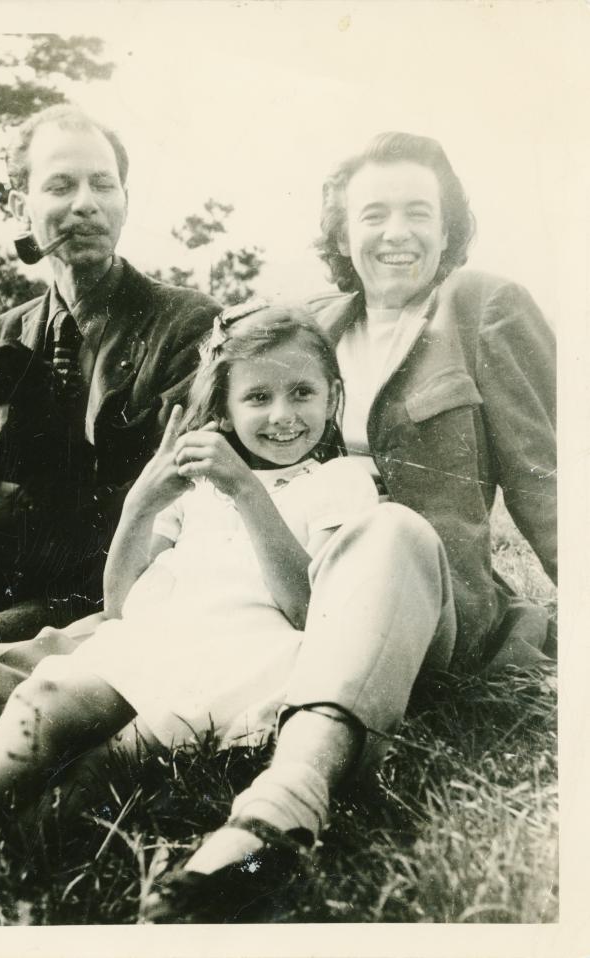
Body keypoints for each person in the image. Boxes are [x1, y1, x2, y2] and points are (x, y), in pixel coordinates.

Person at [142, 132, 556, 922]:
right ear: (339, 230)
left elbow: (551, 483)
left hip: (430, 611)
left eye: (417, 212)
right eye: (373, 213)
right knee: (63, 658)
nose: (395, 232)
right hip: (289, 593)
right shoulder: (312, 323)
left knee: (392, 529)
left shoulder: (484, 307)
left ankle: (287, 798)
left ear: (448, 227)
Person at [0, 304, 379, 878]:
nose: (282, 415)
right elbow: (119, 605)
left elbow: (307, 610)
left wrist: (248, 494)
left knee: (99, 772)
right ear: (225, 408)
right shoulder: (197, 485)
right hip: (154, 640)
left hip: (243, 659)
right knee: (44, 704)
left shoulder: (342, 483)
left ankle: (10, 859)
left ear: (333, 395)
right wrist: (142, 502)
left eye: (301, 393)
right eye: (258, 398)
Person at [0, 106, 218, 691]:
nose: (86, 203)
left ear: (124, 201)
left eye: (102, 184)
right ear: (19, 207)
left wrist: (15, 517)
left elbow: (173, 502)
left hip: (108, 600)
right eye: (60, 185)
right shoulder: (3, 335)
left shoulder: (187, 325)